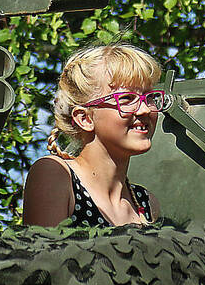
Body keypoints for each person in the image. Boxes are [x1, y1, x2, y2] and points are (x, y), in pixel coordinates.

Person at [23, 42, 168, 228]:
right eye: (126, 99)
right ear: (85, 118)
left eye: (149, 98)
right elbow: (44, 255)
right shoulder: (56, 175)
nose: (145, 109)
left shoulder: (147, 204)